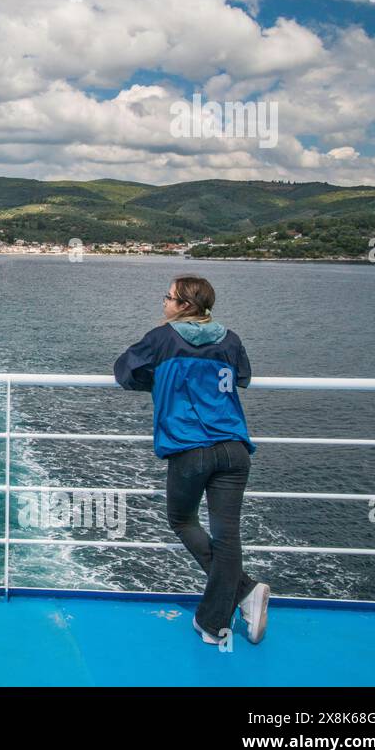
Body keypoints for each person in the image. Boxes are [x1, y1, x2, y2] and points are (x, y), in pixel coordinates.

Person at [113, 274, 269, 646]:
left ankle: (245, 591)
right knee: (226, 534)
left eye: (168, 298)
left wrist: (162, 379)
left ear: (185, 305)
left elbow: (124, 372)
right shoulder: (230, 338)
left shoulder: (162, 337)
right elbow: (242, 378)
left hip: (190, 449)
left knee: (182, 519)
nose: (163, 303)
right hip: (234, 448)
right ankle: (215, 622)